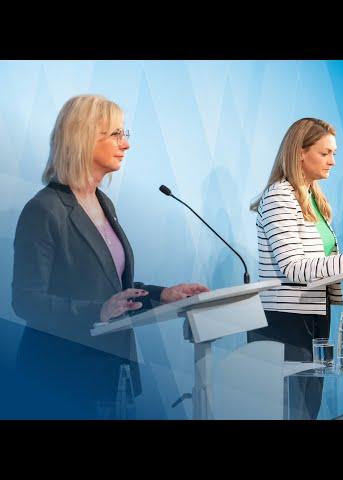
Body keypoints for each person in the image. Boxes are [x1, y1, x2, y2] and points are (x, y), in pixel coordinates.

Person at [12, 94, 209, 419]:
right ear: (84, 137)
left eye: (124, 134)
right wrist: (97, 311)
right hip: (62, 378)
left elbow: (113, 288)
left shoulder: (103, 203)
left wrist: (162, 295)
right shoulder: (44, 209)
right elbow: (26, 300)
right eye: (115, 134)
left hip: (110, 370)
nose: (126, 144)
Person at [249, 117, 343, 419]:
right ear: (300, 152)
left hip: (314, 313)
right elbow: (293, 268)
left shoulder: (313, 197)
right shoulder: (279, 196)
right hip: (285, 321)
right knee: (293, 408)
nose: (333, 161)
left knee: (309, 406)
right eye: (325, 153)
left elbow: (319, 263)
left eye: (334, 153)